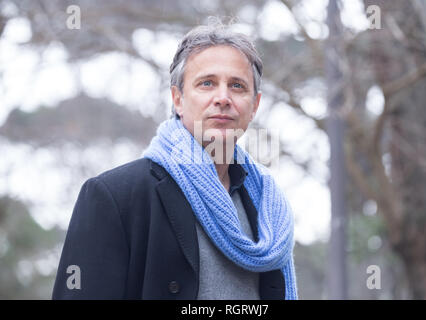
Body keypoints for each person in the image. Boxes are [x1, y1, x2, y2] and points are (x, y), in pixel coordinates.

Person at [52, 20, 298, 300]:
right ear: (177, 99)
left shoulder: (268, 207)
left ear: (254, 105)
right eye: (207, 83)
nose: (223, 98)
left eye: (237, 86)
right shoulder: (114, 197)